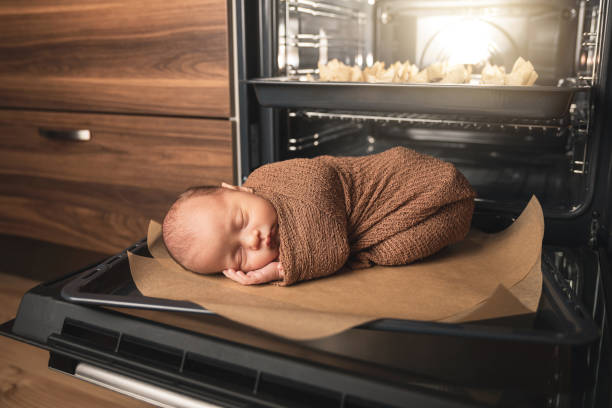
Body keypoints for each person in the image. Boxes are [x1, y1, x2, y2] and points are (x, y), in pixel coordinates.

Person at [163, 147, 476, 286]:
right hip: (386, 225)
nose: (253, 238)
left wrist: (279, 272)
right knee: (394, 251)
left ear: (239, 189)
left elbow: (322, 183)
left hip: (398, 182)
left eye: (241, 221)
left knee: (440, 191)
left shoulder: (270, 178)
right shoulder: (282, 243)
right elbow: (335, 249)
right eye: (239, 254)